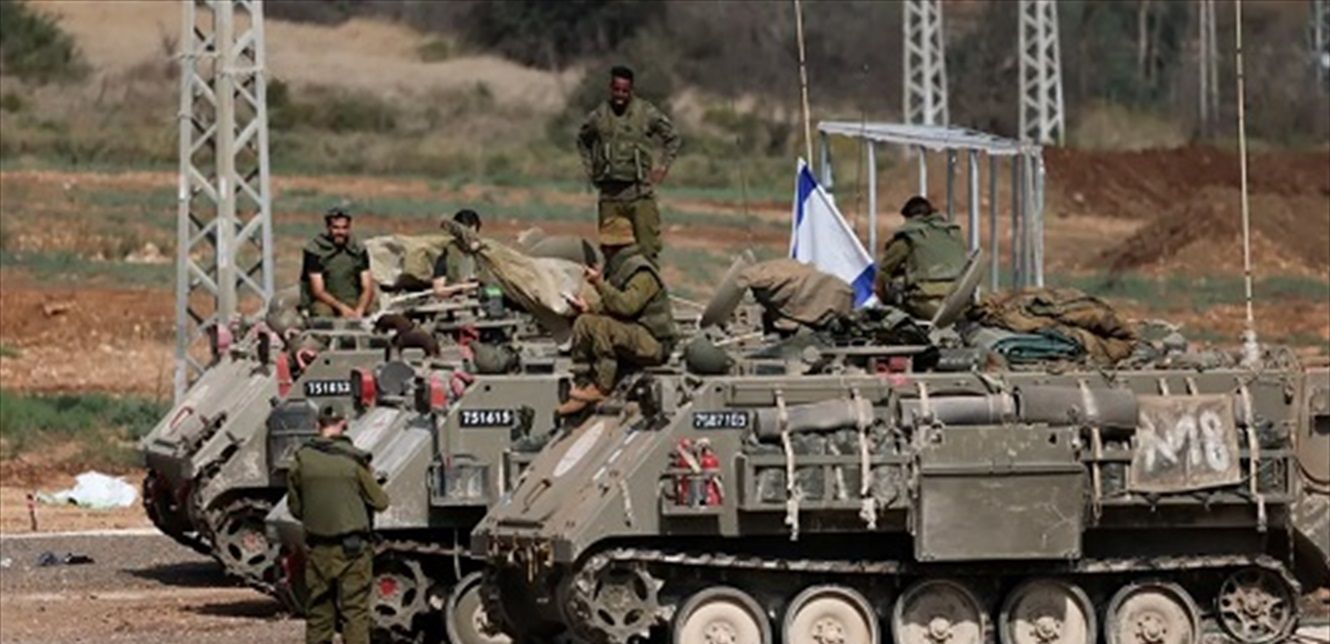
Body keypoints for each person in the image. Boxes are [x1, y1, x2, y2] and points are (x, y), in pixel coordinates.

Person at [287, 405, 390, 644]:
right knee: (354, 613)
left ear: (317, 425)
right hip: (353, 551)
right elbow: (381, 502)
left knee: (318, 613)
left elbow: (296, 509)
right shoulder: (354, 460)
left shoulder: (301, 460)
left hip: (318, 549)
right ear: (344, 423)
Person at [558, 218, 677, 415]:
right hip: (633, 333)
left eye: (606, 247)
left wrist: (599, 284)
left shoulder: (642, 273)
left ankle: (602, 387)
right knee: (584, 322)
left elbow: (626, 307)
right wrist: (588, 307)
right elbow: (612, 305)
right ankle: (582, 384)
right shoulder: (620, 269)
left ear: (614, 248)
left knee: (604, 327)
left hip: (653, 343)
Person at [576, 65, 681, 265]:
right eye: (616, 90)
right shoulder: (599, 116)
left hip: (640, 194)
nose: (620, 96)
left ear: (631, 90)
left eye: (625, 91)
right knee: (611, 253)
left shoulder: (646, 113)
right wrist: (591, 170)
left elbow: (672, 137)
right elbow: (582, 140)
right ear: (611, 88)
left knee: (648, 250)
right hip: (610, 196)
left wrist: (663, 167)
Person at [874, 196, 968, 320]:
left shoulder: (908, 237)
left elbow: (883, 274)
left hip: (927, 306)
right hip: (961, 304)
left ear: (909, 217)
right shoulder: (952, 233)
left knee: (896, 282)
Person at [301, 207, 374, 318]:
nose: (340, 232)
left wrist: (360, 309)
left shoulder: (358, 249)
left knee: (373, 311)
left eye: (344, 228)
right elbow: (318, 291)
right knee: (323, 314)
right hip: (326, 302)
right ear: (328, 227)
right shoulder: (315, 251)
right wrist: (341, 308)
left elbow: (367, 286)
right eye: (336, 228)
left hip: (352, 299)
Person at [432, 209, 482, 299]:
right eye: (466, 235)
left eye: (473, 235)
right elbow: (439, 290)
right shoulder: (448, 256)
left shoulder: (485, 253)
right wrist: (463, 287)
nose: (470, 239)